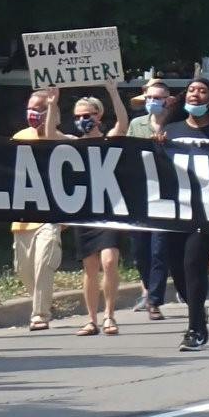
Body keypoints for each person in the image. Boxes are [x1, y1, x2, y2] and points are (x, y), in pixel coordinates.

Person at [161, 78, 209, 351]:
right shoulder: (171, 129)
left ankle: (195, 330)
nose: (196, 94)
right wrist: (155, 146)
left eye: (202, 91)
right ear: (185, 97)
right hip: (174, 209)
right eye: (192, 90)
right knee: (176, 265)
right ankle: (196, 309)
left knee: (194, 263)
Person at [68, 89, 132, 336]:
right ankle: (91, 319)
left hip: (110, 209)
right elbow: (51, 134)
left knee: (109, 260)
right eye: (78, 116)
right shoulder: (72, 144)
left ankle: (110, 315)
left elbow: (123, 125)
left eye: (87, 115)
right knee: (90, 267)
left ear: (98, 116)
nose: (82, 119)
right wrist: (52, 102)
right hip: (84, 210)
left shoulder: (110, 139)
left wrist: (114, 92)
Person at [10, 87, 66, 332]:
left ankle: (39, 314)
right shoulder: (18, 138)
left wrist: (53, 104)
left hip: (50, 216)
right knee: (24, 270)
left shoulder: (61, 141)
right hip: (22, 218)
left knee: (44, 263)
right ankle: (43, 303)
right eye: (31, 108)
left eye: (40, 109)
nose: (34, 113)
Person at [124, 79, 177, 322]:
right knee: (140, 250)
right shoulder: (137, 124)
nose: (153, 102)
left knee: (159, 250)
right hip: (140, 195)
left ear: (168, 100)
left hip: (166, 195)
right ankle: (149, 290)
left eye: (158, 98)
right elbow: (126, 154)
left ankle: (154, 301)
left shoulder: (176, 125)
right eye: (149, 98)